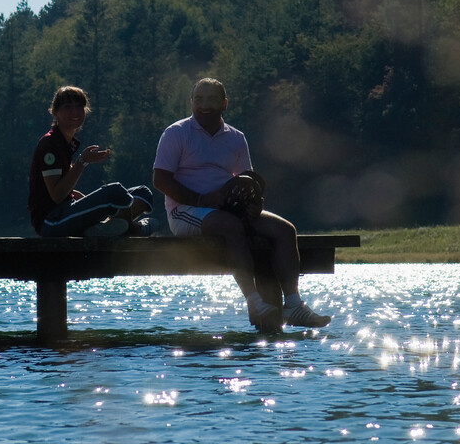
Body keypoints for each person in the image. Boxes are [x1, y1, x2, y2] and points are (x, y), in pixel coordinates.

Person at [152, 77, 331, 333]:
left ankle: (293, 305)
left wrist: (254, 205)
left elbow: (249, 181)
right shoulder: (176, 133)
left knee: (285, 230)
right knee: (231, 225)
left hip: (228, 209)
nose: (204, 105)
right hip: (185, 211)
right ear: (191, 102)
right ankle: (254, 302)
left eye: (212, 99)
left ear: (224, 103)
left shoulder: (236, 138)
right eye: (199, 99)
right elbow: (160, 180)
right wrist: (203, 200)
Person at [28, 86, 153, 237]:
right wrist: (82, 161)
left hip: (67, 210)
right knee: (115, 191)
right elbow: (56, 195)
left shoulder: (65, 143)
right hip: (52, 221)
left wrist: (81, 198)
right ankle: (132, 230)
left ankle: (103, 229)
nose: (74, 112)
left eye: (79, 107)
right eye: (68, 107)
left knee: (142, 193)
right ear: (55, 112)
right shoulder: (50, 144)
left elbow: (55, 189)